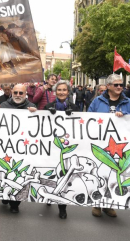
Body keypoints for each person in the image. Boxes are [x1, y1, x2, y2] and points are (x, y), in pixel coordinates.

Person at [88, 74, 130, 218]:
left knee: (115, 176)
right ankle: (97, 204)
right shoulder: (97, 101)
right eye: (116, 85)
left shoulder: (128, 102)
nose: (119, 87)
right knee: (101, 174)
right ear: (109, 86)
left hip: (120, 145)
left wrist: (126, 115)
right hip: (102, 144)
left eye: (121, 85)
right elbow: (88, 118)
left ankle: (109, 205)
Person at [0, 84, 37, 213]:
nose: (18, 95)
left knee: (18, 174)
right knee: (5, 171)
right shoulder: (4, 106)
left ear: (25, 94)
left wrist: (37, 112)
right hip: (6, 146)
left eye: (20, 93)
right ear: (12, 93)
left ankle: (15, 204)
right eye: (15, 92)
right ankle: (5, 195)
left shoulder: (32, 107)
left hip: (23, 147)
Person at [44, 80, 80, 219]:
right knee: (50, 172)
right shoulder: (48, 106)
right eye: (59, 90)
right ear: (55, 91)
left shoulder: (75, 108)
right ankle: (47, 197)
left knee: (63, 174)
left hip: (66, 147)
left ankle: (62, 207)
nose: (62, 92)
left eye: (64, 90)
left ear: (68, 91)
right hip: (51, 146)